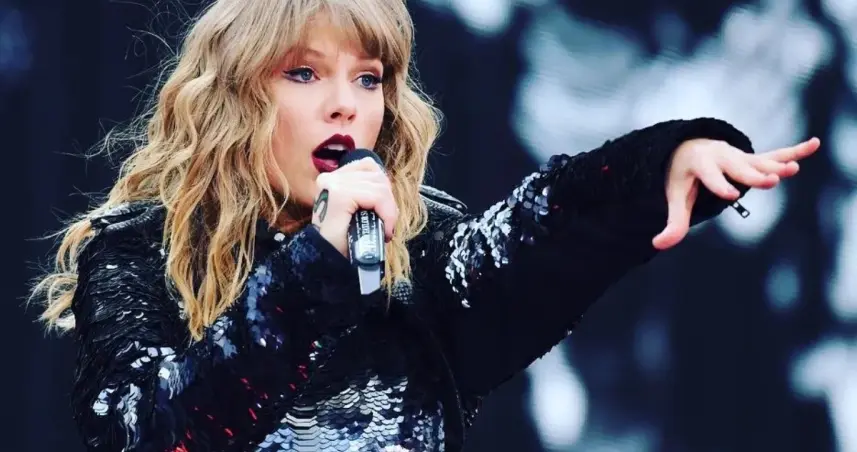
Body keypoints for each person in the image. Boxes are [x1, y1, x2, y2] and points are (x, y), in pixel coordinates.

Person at [30, 0, 820, 451]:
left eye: (367, 79)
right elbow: (150, 431)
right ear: (236, 96)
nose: (344, 104)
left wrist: (662, 161)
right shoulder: (135, 252)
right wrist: (311, 271)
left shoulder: (413, 256)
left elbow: (536, 237)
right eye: (303, 73)